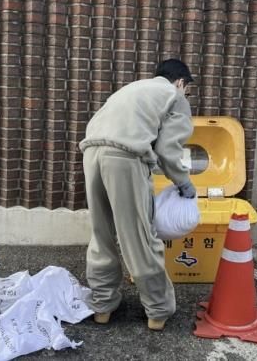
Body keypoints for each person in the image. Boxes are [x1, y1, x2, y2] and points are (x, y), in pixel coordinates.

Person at [79, 58, 196, 331]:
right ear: (180, 82)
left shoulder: (132, 89)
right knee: (139, 238)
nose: (185, 94)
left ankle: (102, 306)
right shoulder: (173, 95)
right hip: (124, 158)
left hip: (91, 153)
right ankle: (158, 311)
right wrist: (183, 183)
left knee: (102, 234)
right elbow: (169, 149)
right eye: (187, 90)